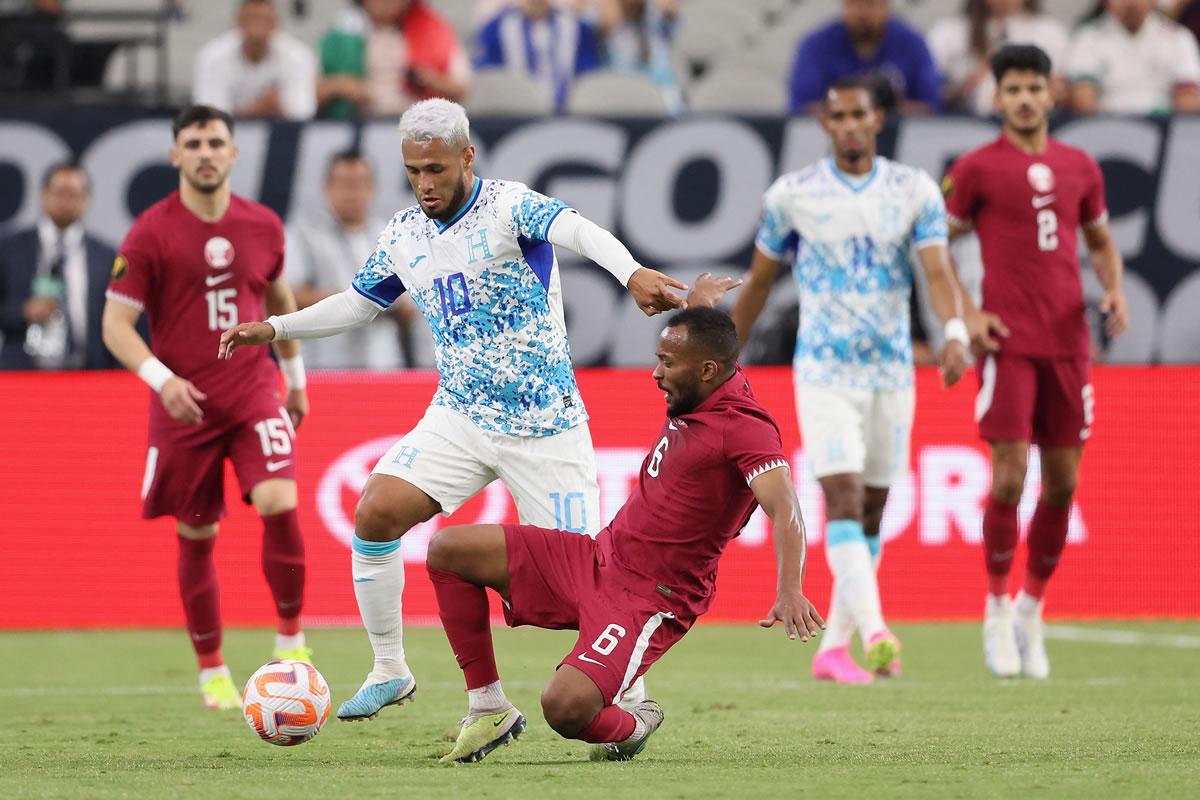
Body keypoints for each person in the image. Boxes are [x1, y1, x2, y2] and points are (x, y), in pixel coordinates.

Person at [218, 97, 689, 723]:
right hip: (460, 416)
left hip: (544, 426)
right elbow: (358, 303)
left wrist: (629, 273)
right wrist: (276, 328)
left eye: (436, 169)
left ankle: (631, 697)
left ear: (467, 156)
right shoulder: (404, 234)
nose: (424, 184)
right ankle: (390, 669)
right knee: (376, 511)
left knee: (584, 591)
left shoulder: (507, 207)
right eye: (413, 171)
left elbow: (578, 230)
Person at [422, 305, 824, 764]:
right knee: (449, 551)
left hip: (648, 597)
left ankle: (634, 726)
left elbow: (786, 508)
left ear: (708, 371)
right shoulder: (709, 382)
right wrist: (702, 298)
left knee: (565, 707)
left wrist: (790, 588)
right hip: (599, 557)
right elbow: (711, 338)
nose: (656, 373)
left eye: (667, 363)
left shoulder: (745, 428)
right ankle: (488, 707)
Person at [731, 78, 969, 684]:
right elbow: (759, 283)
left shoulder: (913, 190)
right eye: (838, 116)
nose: (850, 125)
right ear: (825, 124)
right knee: (841, 496)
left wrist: (953, 333)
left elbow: (937, 273)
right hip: (824, 372)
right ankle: (877, 631)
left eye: (859, 114)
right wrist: (725, 352)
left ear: (878, 118)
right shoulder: (792, 196)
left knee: (871, 513)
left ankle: (833, 649)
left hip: (891, 373)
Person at [101, 105, 312, 710]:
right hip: (184, 405)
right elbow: (115, 325)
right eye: (192, 144)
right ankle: (213, 670)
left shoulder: (263, 224)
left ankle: (292, 644)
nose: (205, 153)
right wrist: (161, 380)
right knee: (197, 533)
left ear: (233, 153)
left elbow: (279, 303)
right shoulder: (149, 233)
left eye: (215, 142)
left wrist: (295, 379)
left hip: (251, 391)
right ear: (175, 155)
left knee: (279, 501)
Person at [942, 44, 1129, 678]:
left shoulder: (1080, 166)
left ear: (1052, 94)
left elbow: (1100, 242)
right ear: (997, 97)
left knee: (1064, 483)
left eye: (1034, 87)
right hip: (1008, 343)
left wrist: (1114, 288)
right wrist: (969, 312)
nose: (1025, 99)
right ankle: (996, 609)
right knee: (1008, 478)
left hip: (1069, 343)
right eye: (1013, 88)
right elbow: (936, 245)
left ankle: (1031, 609)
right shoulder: (975, 168)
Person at [286, 149, 425, 369]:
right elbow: (288, 296)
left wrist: (402, 306)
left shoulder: (390, 234)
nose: (352, 193)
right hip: (325, 366)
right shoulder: (304, 234)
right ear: (327, 187)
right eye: (344, 184)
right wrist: (356, 300)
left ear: (372, 188)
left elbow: (412, 304)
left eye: (359, 184)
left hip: (384, 366)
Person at [0, 162, 118, 370]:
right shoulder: (9, 249)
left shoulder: (106, 256)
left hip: (90, 375)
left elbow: (118, 319)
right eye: (60, 193)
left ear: (87, 199)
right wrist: (22, 311)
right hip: (21, 375)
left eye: (74, 194)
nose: (66, 201)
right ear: (43, 195)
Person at [318, 0, 470, 119]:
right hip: (361, 124)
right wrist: (342, 85)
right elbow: (315, 92)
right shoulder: (341, 37)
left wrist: (431, 80)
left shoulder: (434, 31)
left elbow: (461, 87)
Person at [788, 0, 943, 115]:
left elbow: (931, 107)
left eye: (870, 3)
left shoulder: (913, 44)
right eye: (853, 3)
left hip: (898, 139)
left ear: (887, 6)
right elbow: (803, 108)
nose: (861, 13)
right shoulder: (815, 45)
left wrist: (889, 107)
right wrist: (854, 107)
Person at [926, 0, 1069, 115]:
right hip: (969, 119)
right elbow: (930, 93)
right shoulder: (948, 31)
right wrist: (962, 88)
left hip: (1036, 118)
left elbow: (1065, 90)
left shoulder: (1050, 31)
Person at [1066, 0, 1200, 114]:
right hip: (1104, 126)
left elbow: (1188, 100)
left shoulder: (1179, 38)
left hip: (1164, 126)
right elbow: (1083, 101)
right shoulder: (1087, 38)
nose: (1130, 2)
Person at [193, 0, 317, 121]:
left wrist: (277, 108)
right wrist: (254, 109)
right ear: (237, 22)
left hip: (283, 131)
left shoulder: (298, 55)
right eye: (251, 19)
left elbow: (302, 111)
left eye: (264, 20)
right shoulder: (212, 57)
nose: (257, 27)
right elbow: (210, 115)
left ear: (275, 23)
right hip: (229, 133)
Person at [474, 0, 605, 112]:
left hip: (568, 118)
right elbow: (489, 79)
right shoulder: (495, 30)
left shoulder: (579, 29)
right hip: (514, 116)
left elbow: (589, 79)